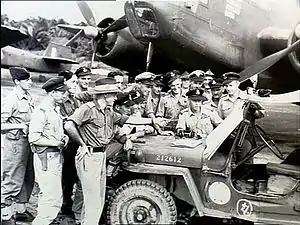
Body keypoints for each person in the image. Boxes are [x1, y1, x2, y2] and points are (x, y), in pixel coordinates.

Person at [64, 77, 167, 225]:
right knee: (92, 198)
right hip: (89, 156)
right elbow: (69, 125)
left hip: (100, 156)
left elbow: (129, 119)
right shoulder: (88, 109)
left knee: (97, 198)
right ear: (105, 95)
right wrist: (82, 144)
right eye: (113, 95)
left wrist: (152, 121)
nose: (115, 98)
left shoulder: (108, 112)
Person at [28, 77, 70, 225]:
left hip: (55, 156)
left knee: (46, 195)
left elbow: (55, 131)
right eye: (62, 93)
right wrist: (55, 142)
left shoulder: (55, 109)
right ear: (52, 93)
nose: (66, 96)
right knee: (53, 198)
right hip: (47, 157)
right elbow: (33, 138)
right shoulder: (42, 111)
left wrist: (63, 137)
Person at [1, 67, 35, 224]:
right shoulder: (11, 99)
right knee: (12, 179)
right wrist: (20, 126)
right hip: (15, 145)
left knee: (28, 178)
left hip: (28, 144)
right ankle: (5, 215)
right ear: (17, 82)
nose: (31, 82)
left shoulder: (29, 97)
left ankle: (20, 211)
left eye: (30, 79)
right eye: (27, 80)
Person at [58, 70, 84, 224]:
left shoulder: (75, 99)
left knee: (72, 175)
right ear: (64, 83)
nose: (76, 85)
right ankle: (60, 206)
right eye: (73, 82)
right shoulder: (60, 101)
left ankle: (66, 203)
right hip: (64, 145)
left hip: (74, 144)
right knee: (62, 177)